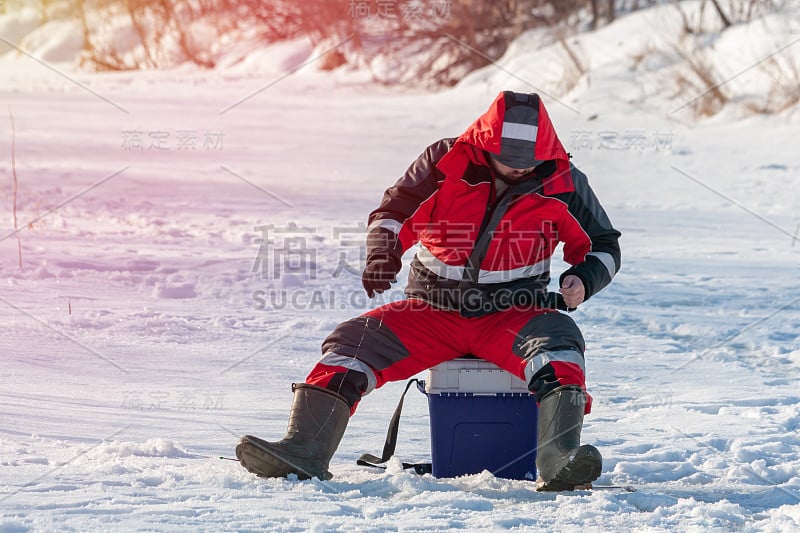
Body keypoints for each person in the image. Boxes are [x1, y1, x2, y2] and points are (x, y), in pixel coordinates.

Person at [236, 91, 622, 491]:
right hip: (431, 310)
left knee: (560, 345)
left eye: (530, 162)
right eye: (510, 159)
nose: (520, 169)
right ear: (486, 143)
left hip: (514, 315)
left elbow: (603, 245)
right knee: (351, 343)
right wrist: (383, 254)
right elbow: (394, 211)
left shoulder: (564, 182)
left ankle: (559, 462)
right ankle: (303, 450)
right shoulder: (444, 161)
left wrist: (585, 278)